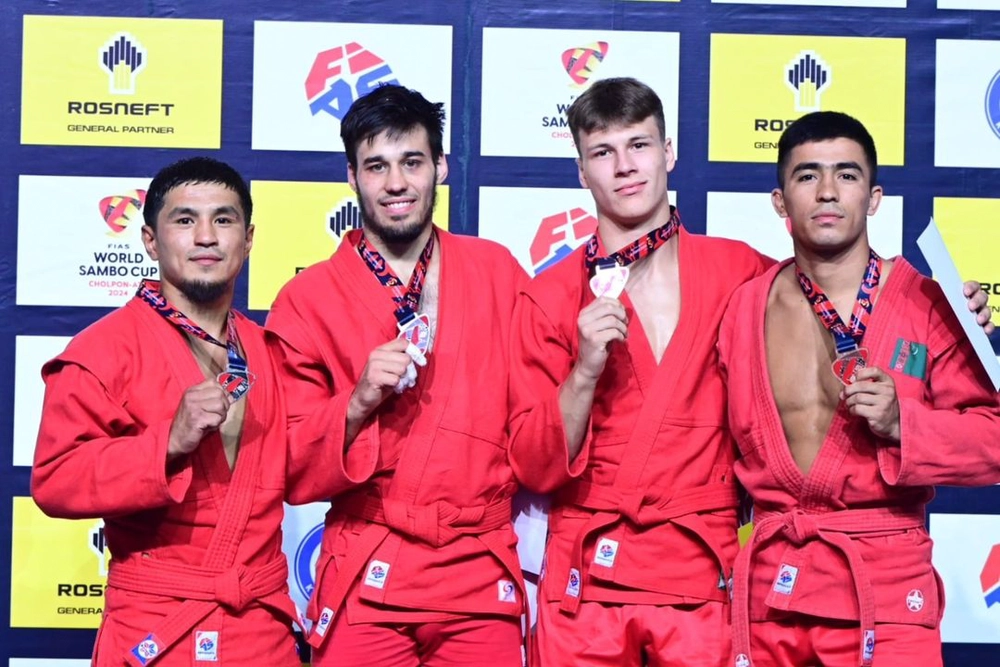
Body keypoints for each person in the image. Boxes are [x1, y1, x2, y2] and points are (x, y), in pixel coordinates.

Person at [506, 77, 774, 666]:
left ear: (668, 152)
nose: (625, 166)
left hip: (702, 570)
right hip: (586, 583)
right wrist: (584, 372)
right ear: (582, 171)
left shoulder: (740, 272)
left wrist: (948, 310)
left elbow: (838, 304)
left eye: (639, 145)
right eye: (603, 152)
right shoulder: (549, 297)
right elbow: (534, 466)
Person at [719, 111, 1000, 667]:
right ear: (779, 201)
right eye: (807, 175)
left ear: (873, 199)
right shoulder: (743, 307)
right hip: (772, 592)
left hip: (885, 590)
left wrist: (903, 424)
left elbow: (992, 440)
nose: (827, 191)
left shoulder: (933, 304)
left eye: (846, 175)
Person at [266, 84, 529, 667]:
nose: (395, 183)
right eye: (376, 166)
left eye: (412, 162)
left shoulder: (497, 271)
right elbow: (287, 458)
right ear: (352, 176)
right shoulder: (306, 299)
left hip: (477, 565)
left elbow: (539, 416)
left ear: (440, 166)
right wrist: (358, 400)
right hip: (369, 561)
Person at [31, 158, 300, 666]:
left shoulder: (272, 352)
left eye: (224, 219)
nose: (206, 236)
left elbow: (309, 466)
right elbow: (55, 480)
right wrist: (167, 443)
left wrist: (359, 404)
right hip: (157, 629)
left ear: (248, 239)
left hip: (259, 632)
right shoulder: (101, 351)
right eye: (185, 219)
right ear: (150, 241)